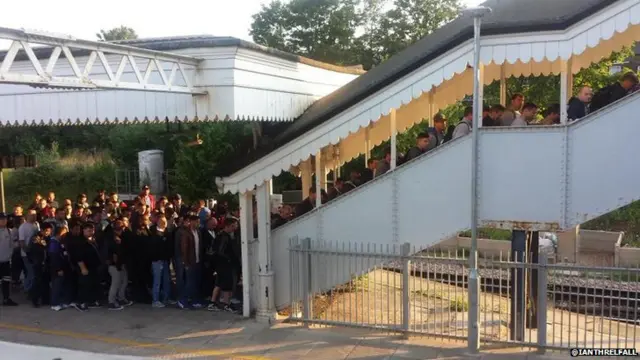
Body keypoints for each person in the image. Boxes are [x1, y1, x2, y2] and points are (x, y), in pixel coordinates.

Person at [207, 217, 241, 313]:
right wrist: (229, 259)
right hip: (224, 264)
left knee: (219, 283)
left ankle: (213, 302)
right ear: (228, 226)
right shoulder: (225, 236)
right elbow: (221, 251)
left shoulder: (222, 235)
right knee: (226, 284)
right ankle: (226, 304)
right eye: (233, 226)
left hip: (221, 263)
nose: (235, 228)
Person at [73, 223, 102, 312]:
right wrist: (83, 268)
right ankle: (81, 303)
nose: (91, 232)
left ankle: (91, 301)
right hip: (85, 266)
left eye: (92, 230)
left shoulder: (92, 240)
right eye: (88, 230)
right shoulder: (81, 241)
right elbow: (78, 256)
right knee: (84, 285)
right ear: (84, 231)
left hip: (93, 266)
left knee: (92, 284)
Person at [0, 213, 18, 306]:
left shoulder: (9, 231)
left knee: (6, 281)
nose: (3, 221)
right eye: (1, 219)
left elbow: (12, 245)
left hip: (6, 261)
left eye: (5, 219)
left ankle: (6, 299)